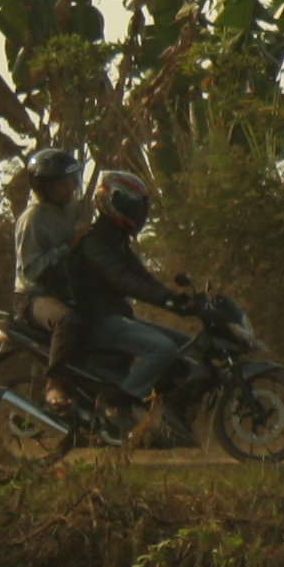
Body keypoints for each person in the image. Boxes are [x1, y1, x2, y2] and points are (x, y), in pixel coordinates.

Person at [74, 171, 195, 411]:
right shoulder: (95, 242)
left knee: (190, 346)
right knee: (163, 348)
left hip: (119, 316)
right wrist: (166, 300)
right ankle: (120, 404)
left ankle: (167, 407)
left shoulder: (116, 239)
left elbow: (142, 277)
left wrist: (177, 299)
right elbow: (124, 281)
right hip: (99, 321)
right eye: (127, 204)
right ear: (109, 202)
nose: (137, 212)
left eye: (138, 206)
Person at [12, 148, 86, 409]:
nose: (70, 188)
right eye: (62, 183)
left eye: (71, 181)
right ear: (44, 187)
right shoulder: (33, 218)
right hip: (33, 296)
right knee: (66, 320)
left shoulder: (71, 209)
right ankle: (53, 382)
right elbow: (30, 270)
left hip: (63, 290)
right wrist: (68, 248)